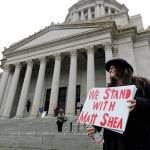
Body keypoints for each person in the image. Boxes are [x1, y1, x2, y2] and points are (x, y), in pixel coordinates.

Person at [87, 58, 150, 150]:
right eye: (109, 69)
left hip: (136, 136)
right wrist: (95, 128)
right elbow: (103, 113)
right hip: (112, 140)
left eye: (112, 67)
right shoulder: (108, 92)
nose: (110, 70)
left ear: (122, 69)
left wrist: (138, 102)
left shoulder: (142, 84)